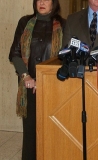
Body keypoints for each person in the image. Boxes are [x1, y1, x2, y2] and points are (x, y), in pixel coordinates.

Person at [9, 0, 65, 159]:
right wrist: (26, 76)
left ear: (54, 3)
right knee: (30, 135)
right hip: (29, 88)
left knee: (52, 133)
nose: (42, 2)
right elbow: (15, 53)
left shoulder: (64, 25)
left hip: (54, 88)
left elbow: (64, 57)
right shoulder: (24, 22)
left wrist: (45, 80)